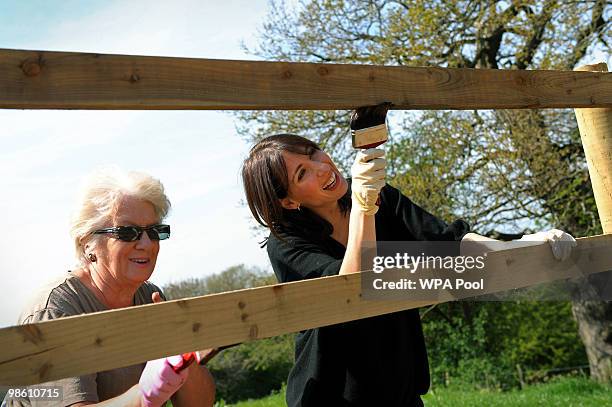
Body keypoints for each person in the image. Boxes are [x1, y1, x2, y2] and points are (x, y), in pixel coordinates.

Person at [241, 106, 576, 407]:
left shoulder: (381, 199)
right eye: (302, 173)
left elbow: (451, 242)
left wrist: (526, 243)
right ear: (288, 202)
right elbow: (352, 288)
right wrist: (363, 206)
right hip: (334, 398)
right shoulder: (285, 244)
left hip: (401, 391)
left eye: (314, 153)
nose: (321, 166)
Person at [3, 168, 215, 407]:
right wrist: (143, 396)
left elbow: (198, 404)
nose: (146, 243)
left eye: (155, 231)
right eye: (127, 232)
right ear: (88, 244)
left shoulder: (150, 298)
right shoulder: (55, 310)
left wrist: (179, 348)